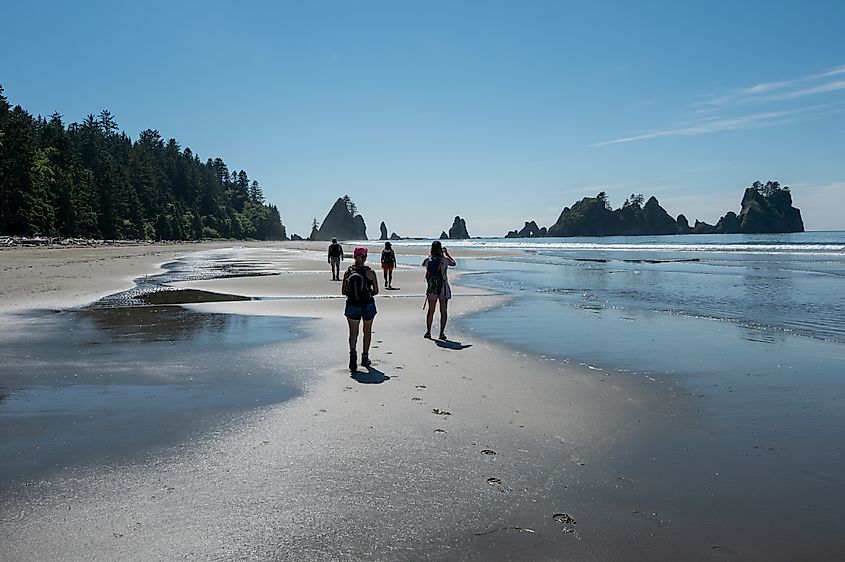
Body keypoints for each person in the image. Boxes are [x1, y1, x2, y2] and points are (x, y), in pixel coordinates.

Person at [342, 246, 379, 372]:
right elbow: (376, 291)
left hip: (352, 304)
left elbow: (343, 292)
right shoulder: (370, 272)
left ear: (354, 256)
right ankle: (365, 357)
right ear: (365, 257)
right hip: (367, 304)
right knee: (367, 331)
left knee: (353, 333)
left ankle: (353, 354)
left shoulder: (348, 272)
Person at [422, 240, 456, 340]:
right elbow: (453, 263)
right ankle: (441, 333)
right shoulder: (444, 260)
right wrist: (446, 253)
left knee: (431, 311)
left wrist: (431, 255)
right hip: (443, 287)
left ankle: (428, 332)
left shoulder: (428, 260)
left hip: (432, 287)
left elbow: (423, 264)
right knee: (443, 311)